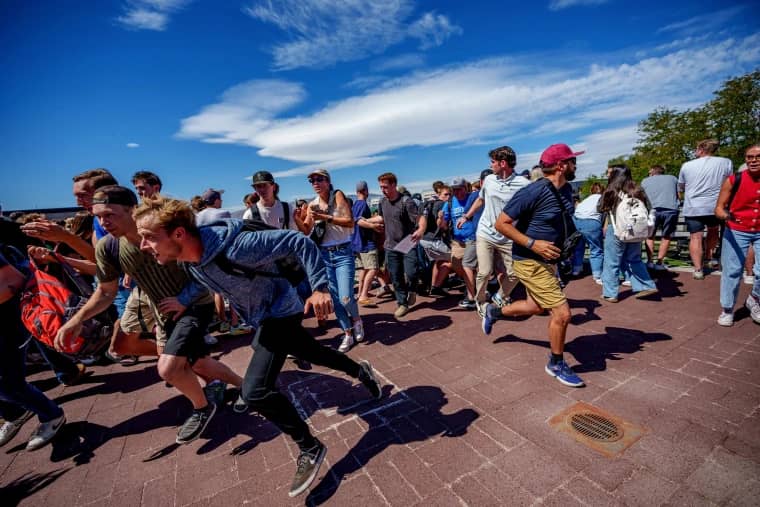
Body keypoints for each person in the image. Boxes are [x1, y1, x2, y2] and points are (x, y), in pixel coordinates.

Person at [133, 196, 382, 498]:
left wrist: (318, 288)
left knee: (255, 391)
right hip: (263, 317)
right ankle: (361, 370)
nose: (144, 246)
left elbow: (297, 241)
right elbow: (202, 281)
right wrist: (184, 300)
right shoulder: (191, 260)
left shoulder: (238, 246)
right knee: (312, 352)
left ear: (178, 234)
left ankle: (309, 446)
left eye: (148, 237)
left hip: (281, 310)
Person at [55, 186, 243, 445]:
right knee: (196, 362)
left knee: (168, 368)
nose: (103, 222)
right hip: (163, 312)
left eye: (109, 214)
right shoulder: (109, 248)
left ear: (132, 210)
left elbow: (205, 268)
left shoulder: (166, 231)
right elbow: (106, 291)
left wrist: (183, 299)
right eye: (97, 217)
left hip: (195, 305)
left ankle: (202, 408)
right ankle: (247, 388)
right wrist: (76, 320)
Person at [480, 143, 586, 388]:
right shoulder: (533, 191)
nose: (575, 165)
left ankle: (494, 311)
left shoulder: (567, 190)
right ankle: (556, 363)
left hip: (550, 260)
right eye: (572, 161)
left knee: (535, 306)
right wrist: (534, 243)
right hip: (528, 260)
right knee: (562, 313)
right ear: (560, 165)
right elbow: (502, 224)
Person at [0, 243, 66, 451]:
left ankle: (52, 415)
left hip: (7, 325)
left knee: (9, 383)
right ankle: (15, 414)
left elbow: (13, 282)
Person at [457, 146, 530, 314]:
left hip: (508, 236)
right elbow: (480, 200)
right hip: (485, 233)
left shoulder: (523, 184)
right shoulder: (489, 180)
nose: (491, 165)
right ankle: (480, 302)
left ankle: (499, 296)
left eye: (493, 162)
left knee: (515, 273)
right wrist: (466, 217)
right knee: (484, 271)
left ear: (502, 163)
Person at [298, 169, 363, 352]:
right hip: (325, 255)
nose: (315, 183)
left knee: (346, 297)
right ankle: (347, 333)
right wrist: (297, 217)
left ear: (328, 181)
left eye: (319, 179)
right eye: (312, 180)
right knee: (335, 298)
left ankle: (357, 319)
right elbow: (306, 229)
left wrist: (325, 217)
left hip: (343, 252)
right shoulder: (313, 205)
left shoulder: (338, 196)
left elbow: (350, 221)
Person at [367, 173, 425, 318]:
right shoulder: (382, 202)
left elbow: (420, 217)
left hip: (407, 243)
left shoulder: (406, 201)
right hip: (390, 246)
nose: (383, 190)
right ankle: (402, 304)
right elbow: (382, 217)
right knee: (396, 276)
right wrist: (366, 221)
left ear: (394, 185)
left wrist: (421, 230)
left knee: (411, 273)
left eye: (385, 187)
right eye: (381, 187)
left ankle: (412, 289)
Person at [598, 165, 659, 302]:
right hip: (636, 229)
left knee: (611, 262)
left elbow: (600, 207)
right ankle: (645, 285)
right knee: (634, 259)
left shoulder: (611, 191)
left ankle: (610, 293)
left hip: (617, 229)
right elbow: (649, 208)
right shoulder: (638, 190)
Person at [715, 143, 760, 326]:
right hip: (737, 230)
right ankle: (727, 309)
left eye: (758, 157)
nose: (754, 160)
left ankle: (754, 298)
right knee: (732, 270)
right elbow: (718, 208)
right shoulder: (734, 180)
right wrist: (726, 215)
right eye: (750, 157)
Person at [678, 139, 733, 279]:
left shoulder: (687, 165)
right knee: (714, 230)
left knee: (695, 237)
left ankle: (698, 269)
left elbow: (682, 186)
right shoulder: (726, 162)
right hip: (715, 205)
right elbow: (729, 182)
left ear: (701, 149)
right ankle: (708, 256)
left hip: (693, 206)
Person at [440, 177, 479, 308]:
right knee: (456, 264)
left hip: (473, 238)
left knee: (467, 264)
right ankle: (473, 284)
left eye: (459, 189)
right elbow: (444, 225)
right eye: (454, 190)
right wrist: (440, 220)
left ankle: (471, 294)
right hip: (457, 240)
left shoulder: (473, 198)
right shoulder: (450, 203)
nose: (457, 192)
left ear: (465, 188)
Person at [641, 165, 679, 270]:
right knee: (666, 236)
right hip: (671, 209)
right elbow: (678, 194)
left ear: (652, 172)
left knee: (649, 236)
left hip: (652, 210)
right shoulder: (673, 178)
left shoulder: (645, 181)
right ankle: (659, 262)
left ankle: (649, 261)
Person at [352, 180, 383, 306]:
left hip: (356, 242)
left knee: (364, 269)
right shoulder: (363, 204)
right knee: (373, 268)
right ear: (365, 191)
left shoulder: (354, 205)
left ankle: (360, 293)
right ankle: (363, 295)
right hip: (365, 242)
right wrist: (373, 226)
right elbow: (359, 221)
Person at [573, 182, 605, 284]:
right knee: (596, 249)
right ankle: (597, 275)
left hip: (577, 221)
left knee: (578, 247)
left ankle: (576, 269)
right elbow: (604, 214)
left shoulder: (586, 200)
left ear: (591, 190)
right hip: (592, 222)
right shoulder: (602, 199)